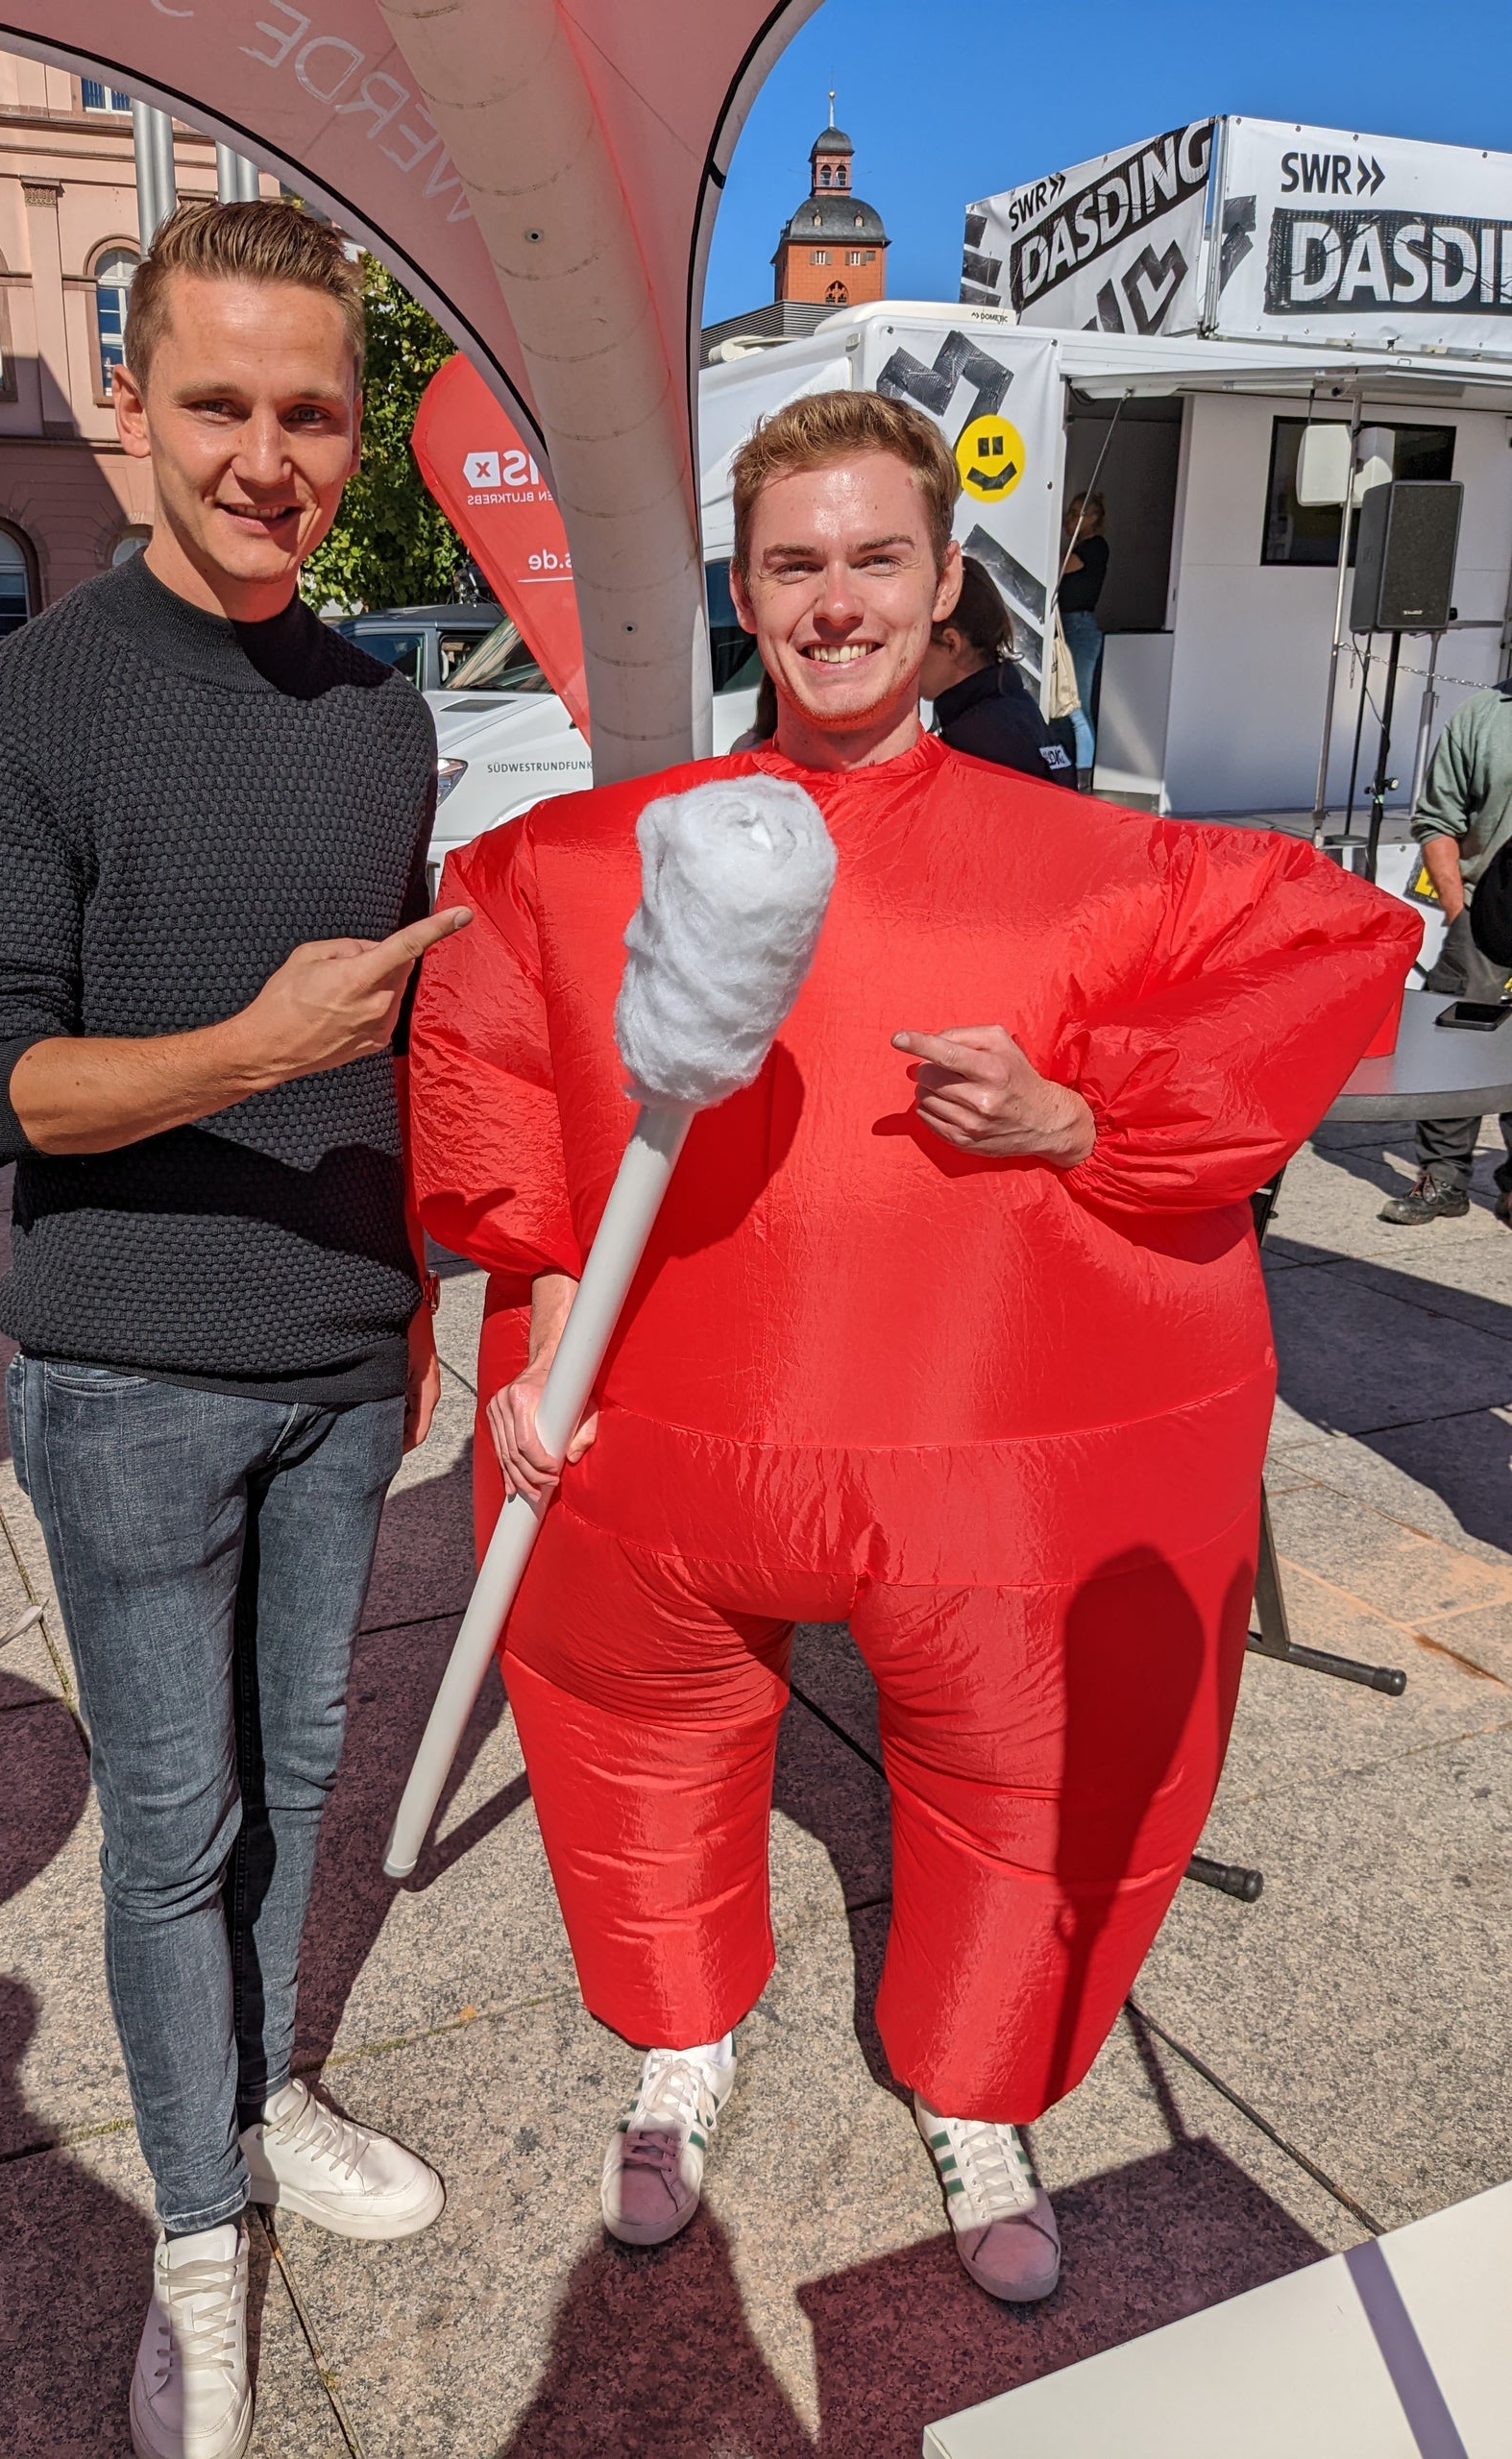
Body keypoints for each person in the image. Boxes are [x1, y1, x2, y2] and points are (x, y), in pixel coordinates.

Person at [412, 390, 1418, 2306]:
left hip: (989, 1475)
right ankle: (679, 2040)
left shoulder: (1092, 864)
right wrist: (529, 1357)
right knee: (636, 1747)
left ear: (946, 585)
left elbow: (1325, 946)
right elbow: (517, 1112)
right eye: (796, 562)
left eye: (878, 557)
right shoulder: (582, 863)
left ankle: (981, 2086)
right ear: (742, 590)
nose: (837, 600)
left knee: (1020, 1785)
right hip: (669, 1460)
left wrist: (1078, 1115)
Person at [0, 201, 464, 2459]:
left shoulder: (383, 714)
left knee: (302, 1786)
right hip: (125, 1365)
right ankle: (199, 2224)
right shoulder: (22, 706)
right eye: (216, 400)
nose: (265, 452)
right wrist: (244, 1050)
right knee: (169, 1828)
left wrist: (422, 1283)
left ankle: (265, 2085)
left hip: (338, 1360)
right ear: (128, 402)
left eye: (309, 409)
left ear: (356, 433)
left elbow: (409, 1061)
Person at [1378, 674, 1512, 1225]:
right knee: (1455, 1047)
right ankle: (1442, 1180)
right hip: (1487, 916)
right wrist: (1460, 915)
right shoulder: (1482, 716)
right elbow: (1437, 821)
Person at [919, 556, 1076, 787]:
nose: (908, 659)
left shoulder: (977, 739)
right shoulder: (1015, 707)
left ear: (951, 643)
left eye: (916, 642)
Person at [1058, 489, 1109, 783]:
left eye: (1078, 513)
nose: (1070, 519)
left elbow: (1063, 566)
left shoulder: (1095, 547)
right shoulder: (1084, 547)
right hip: (1067, 626)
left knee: (1076, 705)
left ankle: (1084, 776)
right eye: (1069, 513)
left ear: (1094, 518)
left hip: (1080, 628)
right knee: (1066, 703)